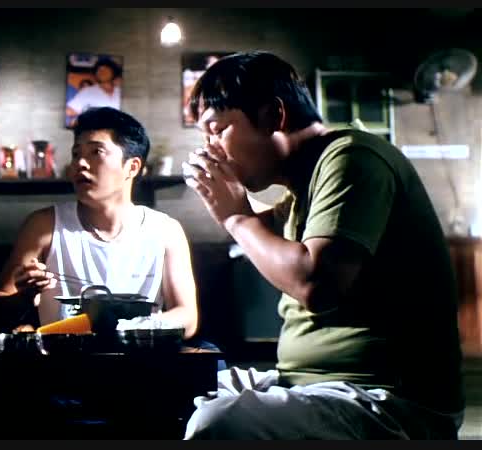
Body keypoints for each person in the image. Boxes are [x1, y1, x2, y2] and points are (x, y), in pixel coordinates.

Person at [181, 51, 464, 439]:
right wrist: (229, 206)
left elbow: (315, 283)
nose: (212, 148)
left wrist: (235, 217)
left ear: (274, 116)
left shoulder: (353, 156)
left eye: (217, 130)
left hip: (388, 398)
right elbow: (266, 237)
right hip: (310, 383)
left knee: (218, 423)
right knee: (175, 388)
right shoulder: (303, 187)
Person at [0, 106, 199, 339]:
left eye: (96, 152)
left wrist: (130, 328)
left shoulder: (165, 231)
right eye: (76, 154)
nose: (80, 163)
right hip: (64, 359)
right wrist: (24, 296)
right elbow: (0, 304)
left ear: (132, 167)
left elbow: (187, 317)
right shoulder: (44, 226)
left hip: (140, 357)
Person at [65, 57, 122, 128]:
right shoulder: (87, 91)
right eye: (99, 70)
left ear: (113, 73)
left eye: (106, 70)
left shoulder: (120, 91)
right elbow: (69, 111)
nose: (102, 72)